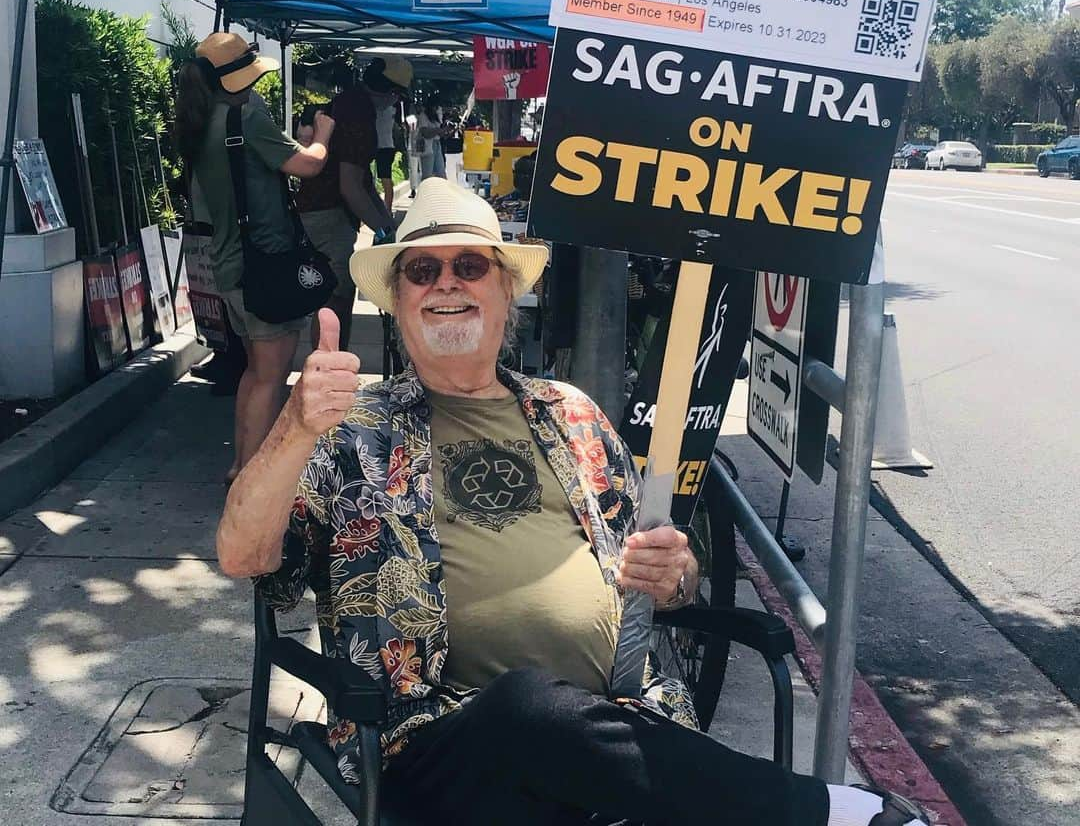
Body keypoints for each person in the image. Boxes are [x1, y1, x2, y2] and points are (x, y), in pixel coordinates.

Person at [217, 177, 929, 826]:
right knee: (528, 711)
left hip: (625, 718)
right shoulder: (350, 431)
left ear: (505, 291)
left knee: (565, 739)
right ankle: (823, 814)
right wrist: (294, 424)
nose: (446, 284)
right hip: (432, 741)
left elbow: (672, 586)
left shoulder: (572, 414)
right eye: (422, 270)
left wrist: (676, 571)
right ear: (398, 301)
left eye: (470, 265)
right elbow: (244, 556)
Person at [175, 32, 335, 485]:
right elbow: (308, 165)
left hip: (233, 264)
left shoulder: (202, 121)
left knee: (254, 371)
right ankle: (253, 476)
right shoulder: (245, 114)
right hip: (265, 263)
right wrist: (321, 135)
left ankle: (239, 465)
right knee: (271, 375)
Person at [295, 67, 394, 352]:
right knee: (334, 299)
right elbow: (350, 187)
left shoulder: (348, 102)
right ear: (390, 93)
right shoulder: (358, 116)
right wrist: (384, 230)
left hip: (320, 211)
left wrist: (389, 226)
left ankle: (328, 366)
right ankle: (328, 370)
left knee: (330, 295)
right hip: (329, 215)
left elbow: (364, 181)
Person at [365, 55, 413, 213]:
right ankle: (386, 210)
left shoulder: (380, 102)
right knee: (385, 180)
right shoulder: (393, 103)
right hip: (385, 145)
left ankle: (385, 209)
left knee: (380, 180)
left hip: (379, 145)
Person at [416, 98, 443, 181]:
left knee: (440, 172)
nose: (436, 109)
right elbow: (425, 133)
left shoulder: (435, 118)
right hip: (428, 145)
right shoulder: (423, 116)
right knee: (427, 174)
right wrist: (437, 130)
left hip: (437, 143)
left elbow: (440, 134)